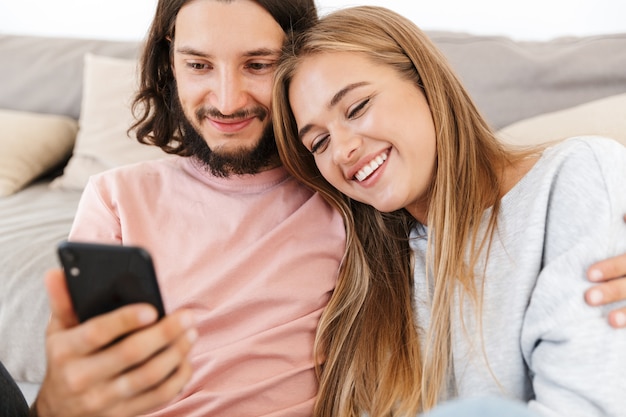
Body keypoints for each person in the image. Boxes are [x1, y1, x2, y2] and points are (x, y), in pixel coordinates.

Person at [14, 1, 626, 417]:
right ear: (168, 66)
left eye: (258, 65)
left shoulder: (353, 206)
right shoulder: (381, 224)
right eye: (318, 140)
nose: (226, 98)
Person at [272, 5, 626, 417]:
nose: (343, 149)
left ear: (425, 81)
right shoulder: (368, 278)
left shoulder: (574, 177)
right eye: (318, 143)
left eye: (356, 107)